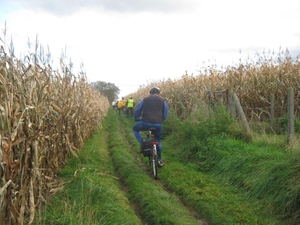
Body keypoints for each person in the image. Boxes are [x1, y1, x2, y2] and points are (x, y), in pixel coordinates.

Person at [132, 87, 169, 167]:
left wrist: (136, 118)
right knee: (158, 140)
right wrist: (161, 120)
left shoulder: (145, 100)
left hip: (145, 122)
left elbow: (138, 110)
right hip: (158, 124)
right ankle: (159, 160)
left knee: (135, 129)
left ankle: (142, 143)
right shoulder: (163, 101)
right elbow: (165, 113)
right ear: (159, 93)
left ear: (150, 93)